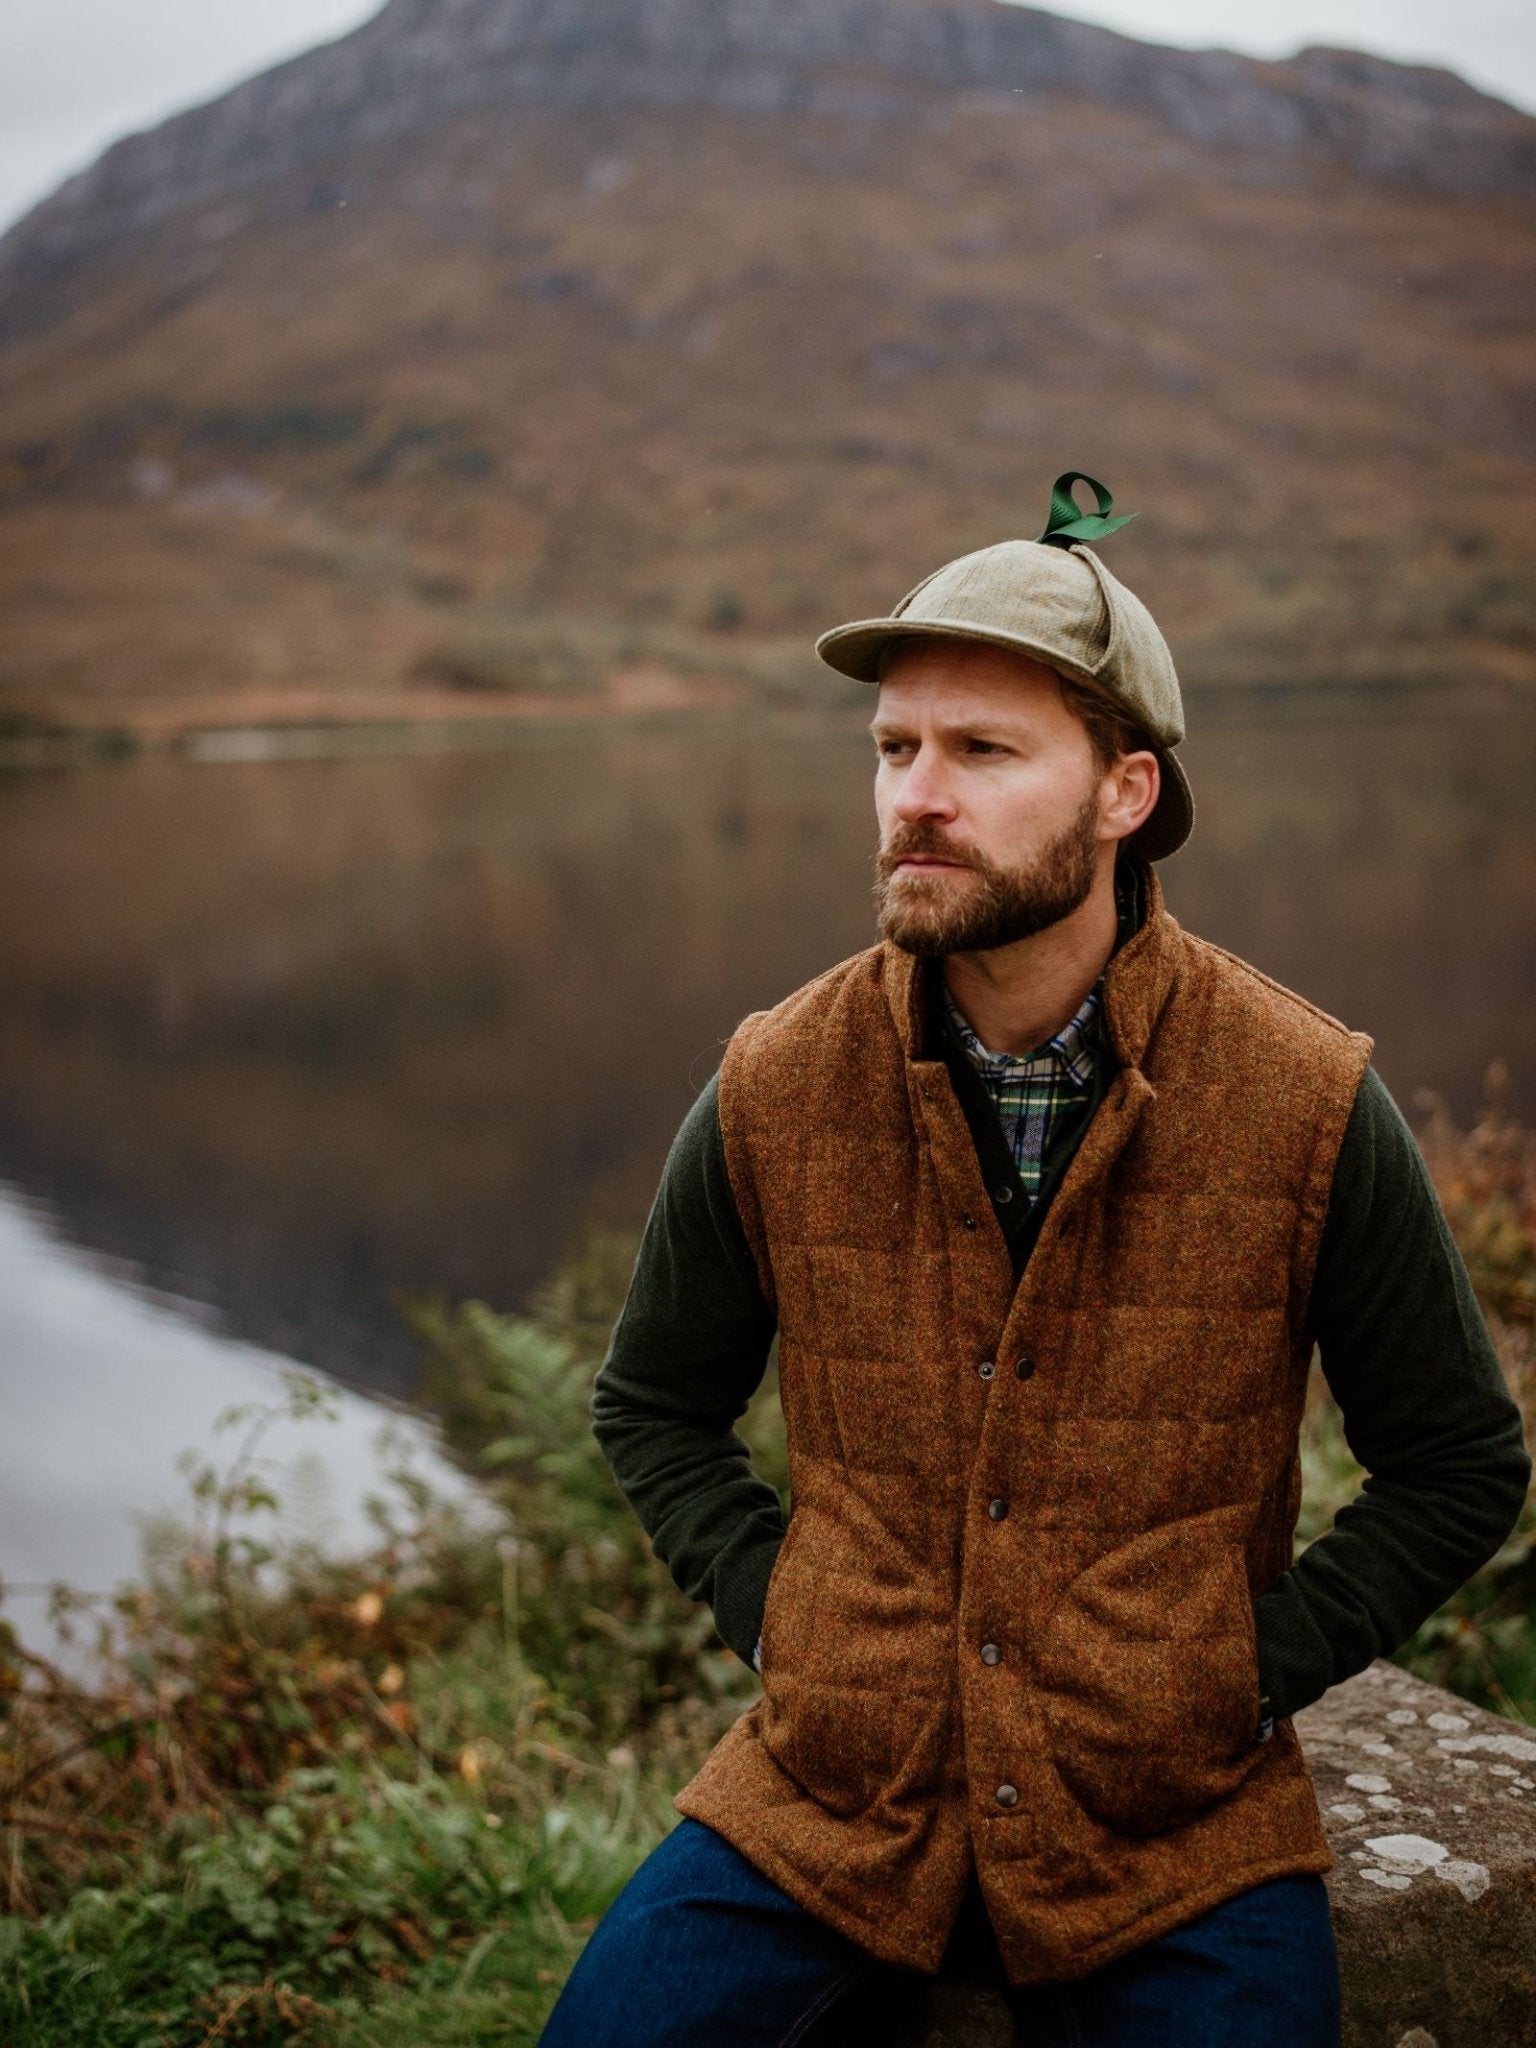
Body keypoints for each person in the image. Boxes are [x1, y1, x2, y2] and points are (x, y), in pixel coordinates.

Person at [539, 477, 1531, 2047]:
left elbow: (1461, 1461)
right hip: (830, 1808)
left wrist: (1246, 1672)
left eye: (982, 752)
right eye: (894, 749)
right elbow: (652, 1405)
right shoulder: (777, 1081)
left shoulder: (1302, 1096)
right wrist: (791, 1616)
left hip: (1177, 1839)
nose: (915, 797)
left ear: (1125, 792)